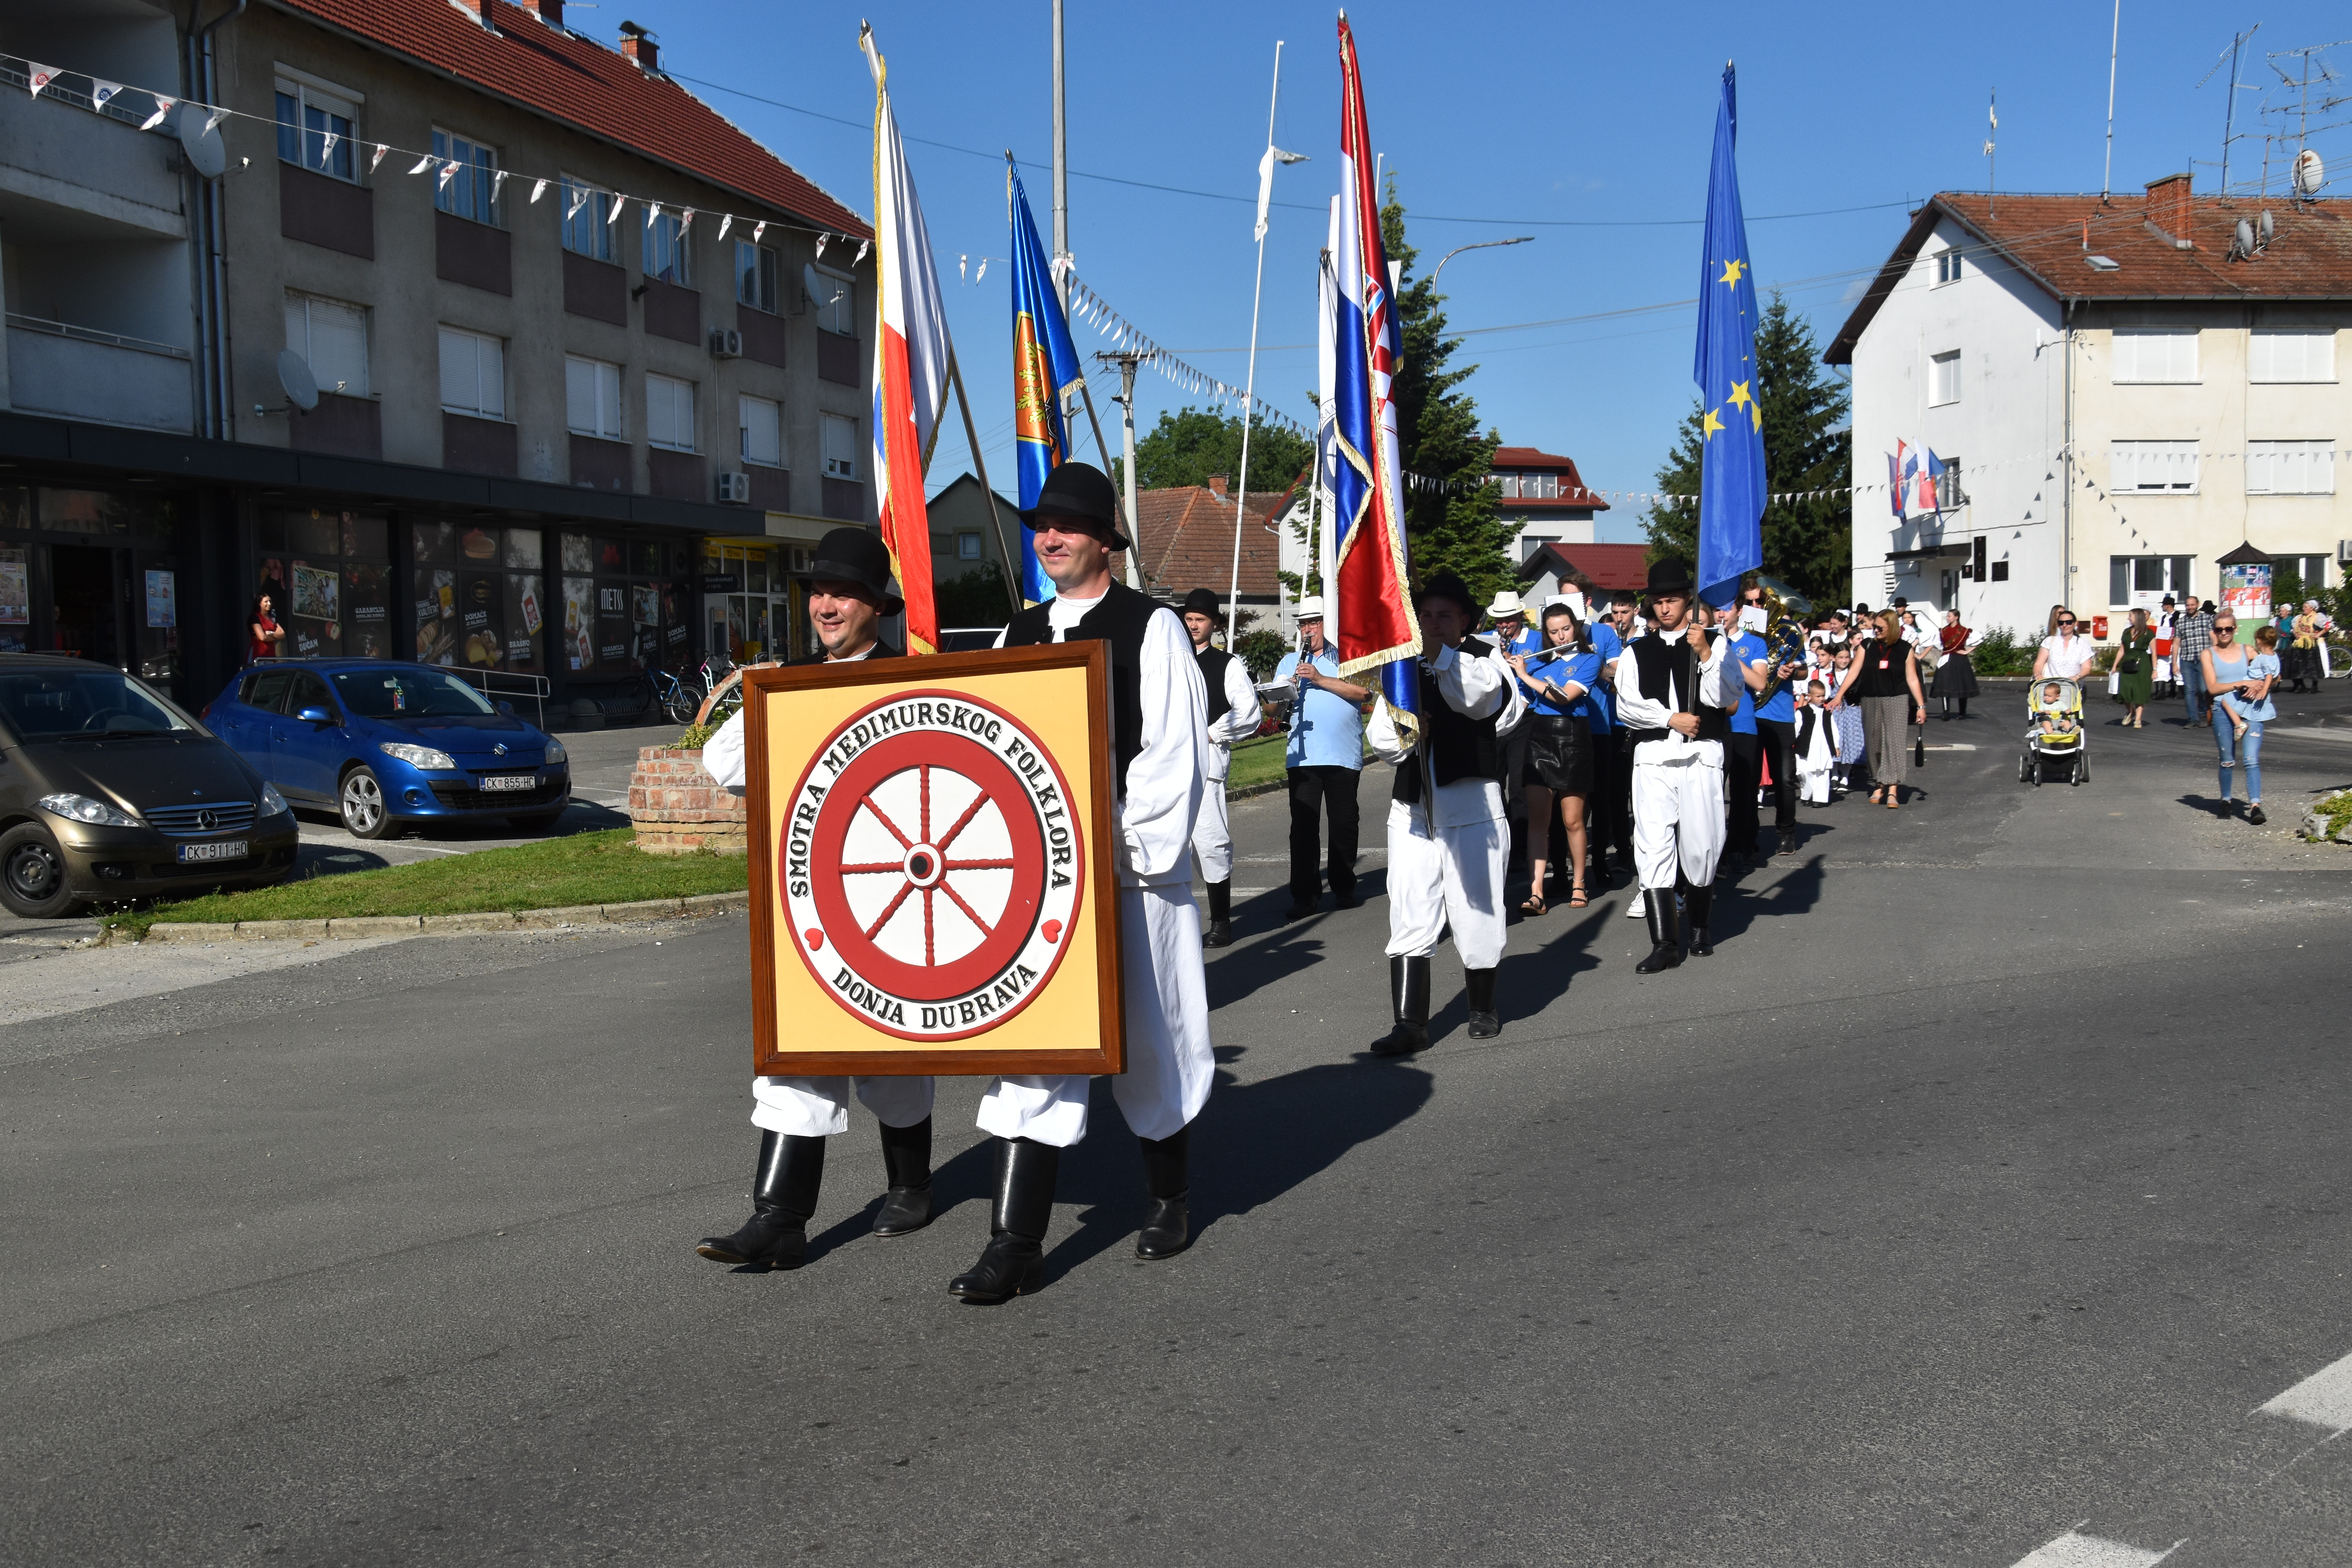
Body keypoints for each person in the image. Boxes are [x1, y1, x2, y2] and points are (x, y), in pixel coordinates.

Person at [957, 459, 1216, 1301]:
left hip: (1133, 879)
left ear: (1107, 537)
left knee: (1153, 1041)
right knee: (1035, 1053)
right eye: (1042, 525)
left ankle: (1171, 1195)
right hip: (1043, 892)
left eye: (1069, 525)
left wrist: (1117, 851)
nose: (1052, 537)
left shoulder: (1153, 628)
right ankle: (1015, 1243)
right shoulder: (1015, 635)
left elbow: (1171, 755)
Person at [694, 527, 936, 1273]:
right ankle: (780, 1218)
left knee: (891, 1058)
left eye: (843, 593)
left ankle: (911, 1184)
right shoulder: (791, 683)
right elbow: (722, 762)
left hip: (896, 888)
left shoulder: (913, 680)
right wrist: (771, 693)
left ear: (876, 607)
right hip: (812, 895)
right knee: (795, 1054)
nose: (826, 606)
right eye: (818, 594)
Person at [1366, 572, 1526, 1052]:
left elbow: (1482, 702)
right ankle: (1409, 1023)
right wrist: (1405, 729)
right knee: (1410, 907)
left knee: (1477, 908)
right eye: (1426, 615)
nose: (1433, 624)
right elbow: (1379, 737)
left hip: (1471, 810)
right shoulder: (1402, 667)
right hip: (1414, 811)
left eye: (1444, 616)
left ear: (1464, 621)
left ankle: (1482, 1007)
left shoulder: (1484, 658)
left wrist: (1439, 660)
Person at [1610, 557, 1735, 971]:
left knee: (1702, 846)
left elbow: (1726, 695)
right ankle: (1665, 942)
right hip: (1655, 759)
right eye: (1659, 601)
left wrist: (1705, 654)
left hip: (1701, 757)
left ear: (1687, 600)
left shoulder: (1714, 642)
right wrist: (1668, 718)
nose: (1665, 608)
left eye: (1673, 600)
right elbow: (1627, 705)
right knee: (1653, 846)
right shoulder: (1636, 651)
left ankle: (1699, 925)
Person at [1273, 598, 1369, 920]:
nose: (1307, 629)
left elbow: (1364, 694)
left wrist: (1318, 679)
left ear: (1328, 624)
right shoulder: (1289, 662)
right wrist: (1279, 694)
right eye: (1303, 623)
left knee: (1344, 824)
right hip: (1302, 756)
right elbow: (1271, 711)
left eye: (1313, 622)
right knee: (1303, 829)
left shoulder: (1348, 657)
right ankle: (1305, 896)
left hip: (1343, 753)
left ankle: (1344, 887)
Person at [1180, 587, 1263, 947]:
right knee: (1171, 846)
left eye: (1200, 620)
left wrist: (1210, 734)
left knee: (1211, 843)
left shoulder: (1226, 664)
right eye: (1189, 619)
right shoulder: (1169, 662)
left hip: (1208, 766)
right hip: (1168, 765)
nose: (1193, 625)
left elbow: (1249, 711)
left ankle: (1221, 922)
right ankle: (1179, 925)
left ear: (1214, 624)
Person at [1504, 600, 1598, 913]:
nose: (1560, 636)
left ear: (1576, 628)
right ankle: (1536, 892)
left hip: (1572, 736)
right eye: (1554, 631)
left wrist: (1525, 675)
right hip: (1540, 736)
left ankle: (1579, 884)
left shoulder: (1589, 660)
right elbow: (1523, 697)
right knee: (1538, 821)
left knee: (1573, 820)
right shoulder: (1540, 664)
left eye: (1566, 629)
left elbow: (1564, 697)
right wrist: (1512, 669)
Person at [1829, 610, 1927, 809]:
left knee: (1894, 743)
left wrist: (1921, 706)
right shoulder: (1867, 646)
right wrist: (1839, 695)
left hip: (1897, 700)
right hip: (1871, 699)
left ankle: (1892, 789)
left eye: (1880, 628)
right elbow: (1854, 670)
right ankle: (1879, 782)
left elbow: (1912, 679)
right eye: (1874, 627)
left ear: (1891, 628)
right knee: (1874, 744)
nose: (1875, 631)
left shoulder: (1905, 649)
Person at [1586, 592, 1638, 896]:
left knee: (1617, 794)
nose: (1620, 618)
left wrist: (1596, 667)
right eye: (1616, 612)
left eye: (1624, 612)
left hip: (1620, 723)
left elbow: (1624, 678)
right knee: (1603, 794)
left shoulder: (1638, 639)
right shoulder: (1604, 635)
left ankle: (1623, 850)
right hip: (1601, 723)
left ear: (1634, 612)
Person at [2201, 613, 2273, 825]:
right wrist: (2240, 683)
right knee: (2227, 760)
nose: (2224, 633)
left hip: (2251, 709)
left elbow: (2270, 672)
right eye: (2219, 630)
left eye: (2228, 629)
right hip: (2223, 710)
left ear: (2235, 629)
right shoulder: (2208, 654)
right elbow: (2212, 688)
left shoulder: (2248, 651)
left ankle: (2255, 807)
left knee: (2251, 759)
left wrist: (2261, 685)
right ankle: (2226, 800)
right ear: (2214, 632)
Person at [1932, 609, 1981, 719]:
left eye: (1950, 616)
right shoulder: (1943, 631)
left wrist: (1967, 651)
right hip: (1946, 659)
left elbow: (1980, 639)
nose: (1947, 618)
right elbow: (1938, 644)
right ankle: (1946, 713)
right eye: (1948, 616)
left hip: (1960, 659)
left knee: (1962, 684)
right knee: (1944, 685)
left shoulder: (1965, 631)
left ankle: (1962, 712)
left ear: (1956, 617)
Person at [1793, 681, 1837, 805]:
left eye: (1823, 696)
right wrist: (1791, 742)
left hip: (1824, 748)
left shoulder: (1827, 713)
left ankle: (1820, 799)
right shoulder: (1801, 712)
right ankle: (1807, 795)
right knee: (1806, 773)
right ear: (1809, 696)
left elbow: (1833, 730)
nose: (1822, 699)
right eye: (1818, 696)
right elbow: (1796, 729)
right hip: (1807, 748)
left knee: (1822, 773)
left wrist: (1836, 746)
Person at [2175, 595, 2215, 726]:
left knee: (2203, 689)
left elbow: (2213, 638)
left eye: (2192, 605)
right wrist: (2174, 664)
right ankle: (2192, 719)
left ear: (2198, 605)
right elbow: (2176, 644)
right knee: (2189, 691)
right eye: (2187, 605)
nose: (2190, 607)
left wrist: (2216, 656)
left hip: (2204, 660)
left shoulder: (2207, 619)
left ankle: (2203, 714)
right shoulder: (2180, 622)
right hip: (2187, 660)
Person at [2112, 606, 2155, 728]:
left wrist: (2155, 670)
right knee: (2125, 691)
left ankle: (2138, 719)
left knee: (2139, 692)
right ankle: (2130, 712)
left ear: (2137, 617)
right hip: (2127, 663)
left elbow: (2154, 652)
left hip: (2142, 664)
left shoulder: (2148, 633)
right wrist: (2115, 665)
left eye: (2130, 615)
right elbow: (2122, 650)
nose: (2128, 618)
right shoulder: (2127, 632)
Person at [2033, 608, 2096, 682]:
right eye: (2061, 623)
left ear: (2075, 624)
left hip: (2072, 688)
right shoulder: (2049, 641)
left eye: (2069, 622)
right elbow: (2039, 663)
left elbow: (2087, 668)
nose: (2065, 625)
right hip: (2051, 687)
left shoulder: (2083, 644)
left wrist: (2076, 677)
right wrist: (2038, 675)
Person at [2284, 601, 2323, 694]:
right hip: (2300, 643)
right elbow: (2293, 628)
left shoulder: (2317, 617)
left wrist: (2318, 634)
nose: (2304, 609)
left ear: (2312, 608)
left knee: (2313, 664)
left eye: (2306, 607)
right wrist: (2295, 634)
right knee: (2298, 665)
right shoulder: (2299, 618)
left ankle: (2314, 686)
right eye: (2304, 607)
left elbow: (2328, 626)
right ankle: (2301, 685)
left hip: (2311, 643)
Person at [247, 594, 286, 662]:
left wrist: (270, 633)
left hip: (271, 656)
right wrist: (276, 636)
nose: (269, 604)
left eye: (270, 601)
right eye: (266, 602)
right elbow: (263, 637)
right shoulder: (255, 617)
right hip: (258, 656)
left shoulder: (272, 617)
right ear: (259, 603)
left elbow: (283, 635)